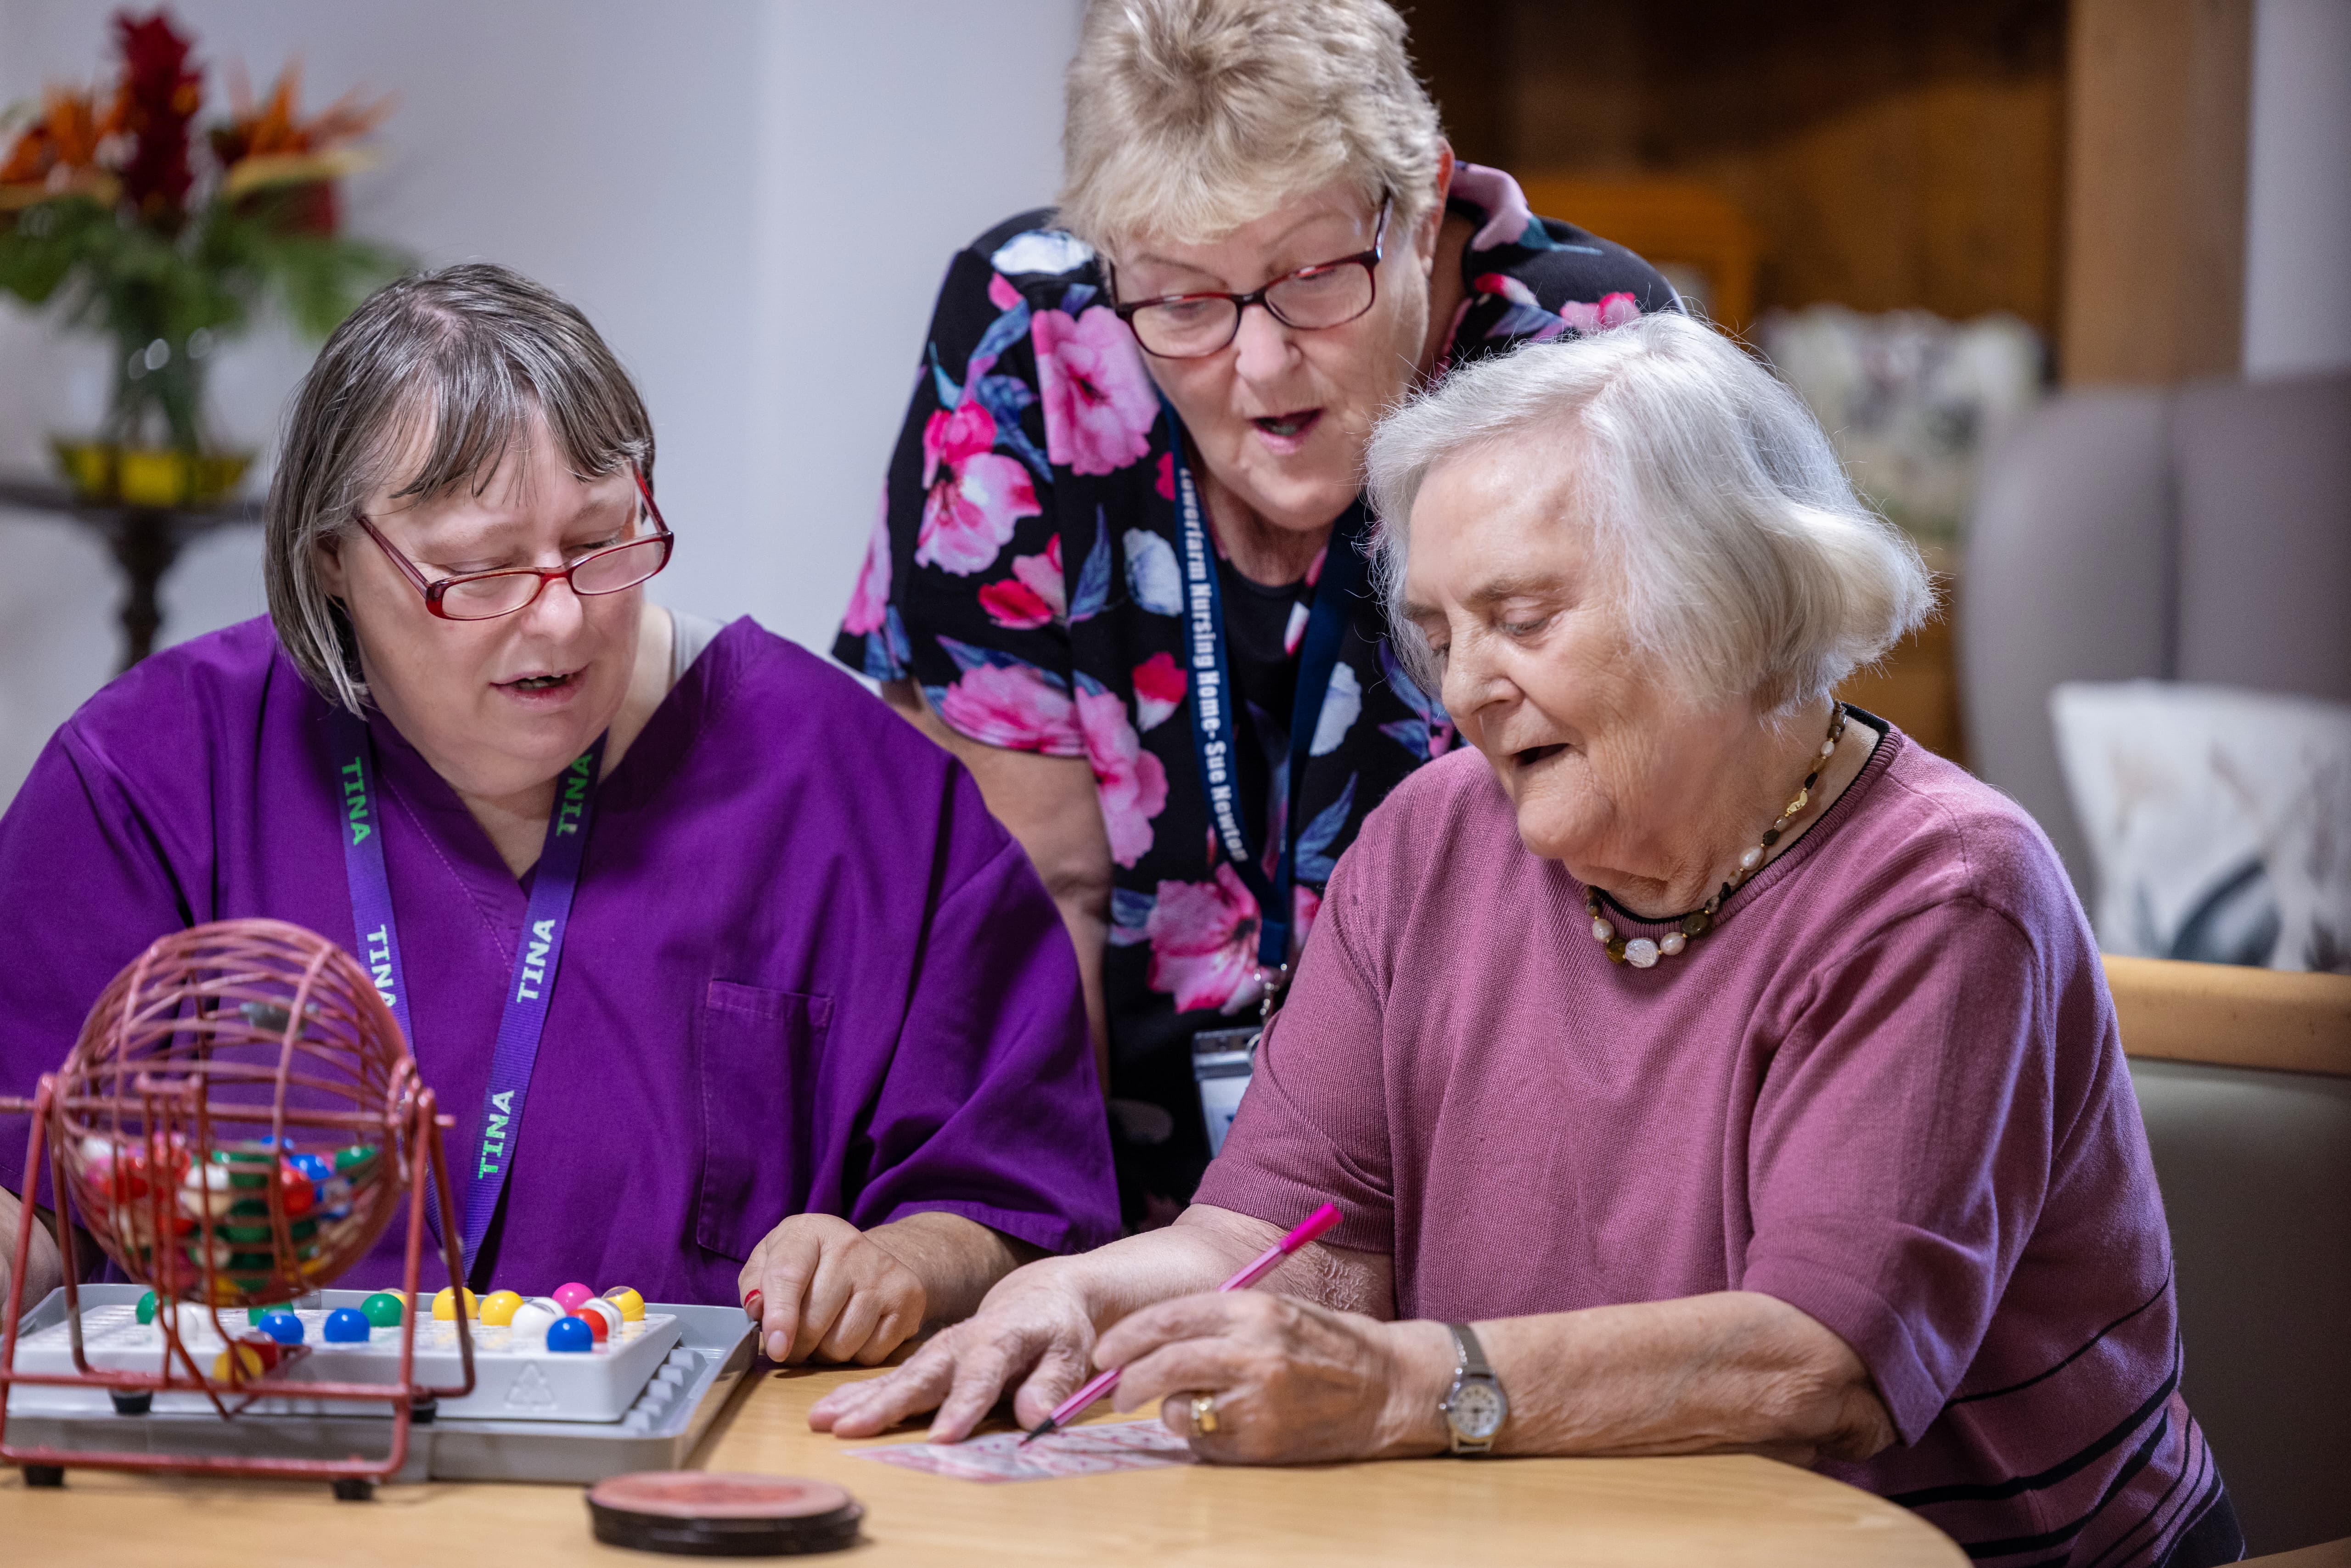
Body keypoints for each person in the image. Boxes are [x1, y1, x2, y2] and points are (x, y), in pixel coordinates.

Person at [809, 315, 2243, 1568]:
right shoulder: (1435, 841)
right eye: (1442, 631)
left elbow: (1819, 1370)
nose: (1471, 688)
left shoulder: (1943, 892)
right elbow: (1286, 1244)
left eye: (1525, 618)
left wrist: (1400, 1390)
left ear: (1729, 602)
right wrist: (1075, 1293)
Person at [0, 264, 1118, 1368]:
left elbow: (1018, 1203)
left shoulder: (856, 791)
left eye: (598, 544)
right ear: (331, 558)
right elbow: (28, 1198)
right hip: (255, 1479)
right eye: (479, 572)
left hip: (695, 1499)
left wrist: (899, 1263)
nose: (561, 622)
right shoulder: (151, 776)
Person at [833, 0, 1677, 1222]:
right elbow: (1033, 895)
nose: (1264, 368)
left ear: (1424, 200)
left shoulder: (1590, 365)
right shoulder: (1029, 336)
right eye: (1182, 300)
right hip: (1119, 1184)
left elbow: (1639, 885)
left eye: (1314, 277)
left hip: (1496, 1189)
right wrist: (1020, 1253)